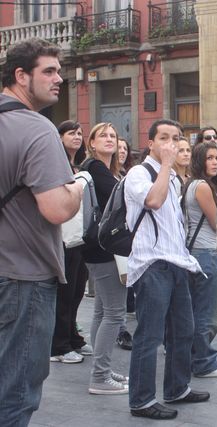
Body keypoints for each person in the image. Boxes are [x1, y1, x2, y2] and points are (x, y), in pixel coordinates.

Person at [0, 38, 83, 426]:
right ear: (20, 76)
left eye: (59, 71)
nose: (59, 79)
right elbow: (55, 209)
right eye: (48, 71)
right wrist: (77, 189)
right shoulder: (36, 128)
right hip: (25, 277)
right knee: (16, 392)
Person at [126, 119, 207, 420]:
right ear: (150, 143)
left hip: (176, 263)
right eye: (164, 138)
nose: (170, 144)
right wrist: (166, 167)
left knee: (183, 330)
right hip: (151, 264)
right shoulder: (140, 173)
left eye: (176, 138)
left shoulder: (172, 178)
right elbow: (154, 201)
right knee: (150, 334)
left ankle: (177, 387)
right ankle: (142, 400)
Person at [83, 122, 129, 394]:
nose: (110, 139)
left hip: (98, 250)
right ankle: (100, 377)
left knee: (102, 312)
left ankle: (101, 369)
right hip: (104, 251)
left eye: (113, 135)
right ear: (92, 143)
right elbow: (119, 200)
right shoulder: (95, 168)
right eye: (103, 135)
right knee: (114, 313)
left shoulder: (103, 169)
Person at [184, 142, 217, 377]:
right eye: (209, 158)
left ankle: (195, 358)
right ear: (199, 161)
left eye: (216, 158)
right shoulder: (202, 186)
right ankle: (204, 362)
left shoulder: (191, 184)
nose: (215, 162)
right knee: (208, 313)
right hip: (205, 253)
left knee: (196, 310)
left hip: (196, 253)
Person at [49, 120, 92, 364]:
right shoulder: (56, 163)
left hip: (79, 237)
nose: (77, 136)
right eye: (71, 133)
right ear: (60, 137)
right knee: (64, 293)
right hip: (63, 237)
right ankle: (58, 346)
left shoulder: (79, 165)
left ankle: (72, 337)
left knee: (76, 291)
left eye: (79, 133)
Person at [116, 137, 135, 351]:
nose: (121, 151)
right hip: (115, 238)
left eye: (124, 147)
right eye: (118, 148)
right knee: (111, 303)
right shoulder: (103, 172)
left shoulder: (125, 174)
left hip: (125, 237)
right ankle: (120, 331)